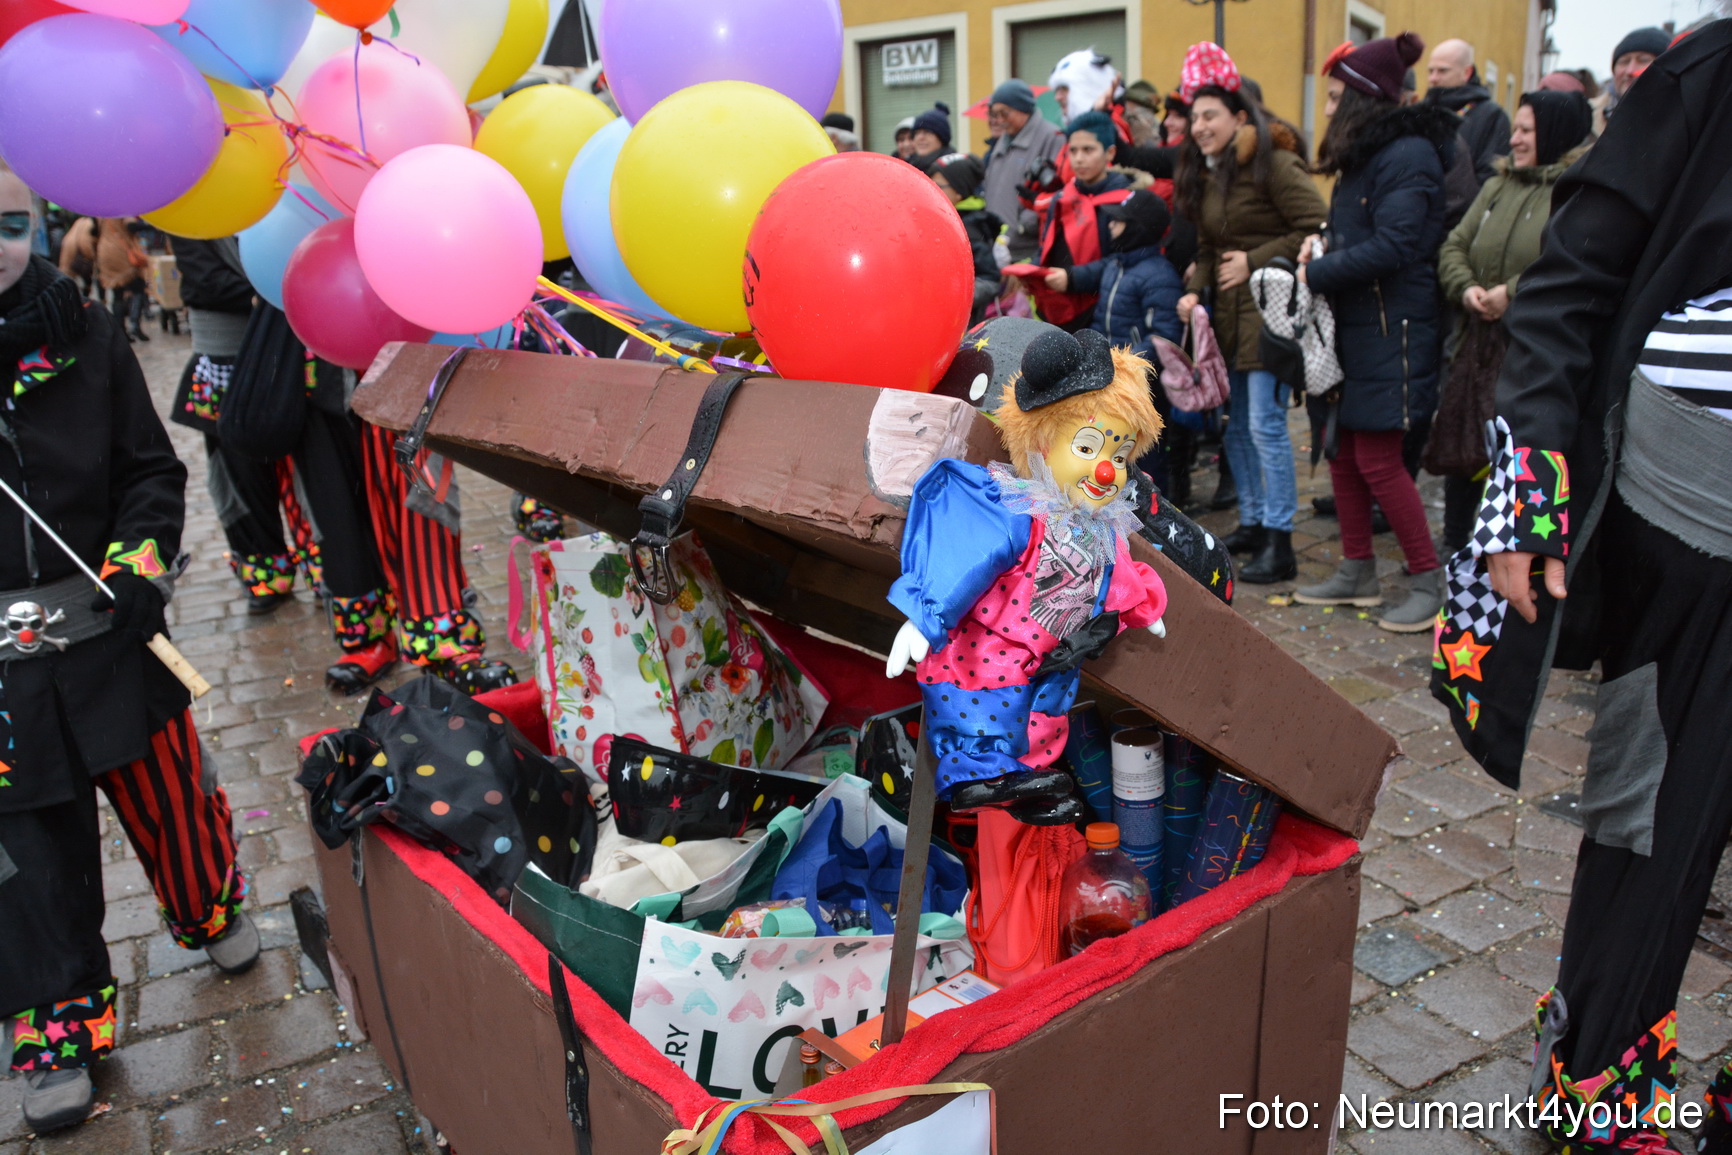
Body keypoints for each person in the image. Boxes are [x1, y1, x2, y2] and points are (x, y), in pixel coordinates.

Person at [1426, 19, 1732, 1151]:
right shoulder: (1710, 72)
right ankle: (1601, 1080)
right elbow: (1566, 288)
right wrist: (1527, 499)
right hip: (1692, 518)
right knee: (1654, 820)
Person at [0, 168, 258, 1135]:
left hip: (110, 626)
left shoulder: (88, 330)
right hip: (3, 672)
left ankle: (209, 906)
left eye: (12, 224)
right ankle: (58, 1020)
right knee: (29, 849)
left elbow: (150, 469)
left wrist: (138, 567)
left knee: (168, 790)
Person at [1295, 32, 1454, 630]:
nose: (1329, 108)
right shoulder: (1368, 158)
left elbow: (1396, 245)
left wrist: (1317, 270)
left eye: (1336, 97)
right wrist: (1325, 244)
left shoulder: (1407, 153)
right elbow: (1363, 235)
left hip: (1394, 330)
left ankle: (1426, 578)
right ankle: (1356, 569)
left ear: (1362, 99)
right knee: (1341, 451)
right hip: (1355, 327)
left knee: (1381, 459)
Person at [1172, 41, 1326, 584]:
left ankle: (1280, 541)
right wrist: (1195, 288)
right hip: (1231, 319)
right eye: (1194, 117)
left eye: (1210, 115)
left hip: (1273, 315)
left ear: (1240, 117)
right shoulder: (1217, 174)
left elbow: (1315, 222)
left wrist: (1255, 258)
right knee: (1238, 428)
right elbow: (1213, 250)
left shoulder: (1274, 163)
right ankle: (1256, 522)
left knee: (1264, 424)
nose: (1199, 126)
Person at [1425, 91, 1593, 556]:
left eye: (1526, 130)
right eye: (1515, 128)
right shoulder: (1497, 184)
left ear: (1556, 134)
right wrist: (1467, 289)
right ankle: (1458, 549)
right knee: (1464, 452)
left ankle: (1505, 552)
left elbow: (1568, 264)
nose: (1513, 139)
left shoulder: (1577, 192)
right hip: (1473, 347)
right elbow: (1454, 245)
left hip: (1525, 354)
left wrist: (1511, 293)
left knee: (1510, 458)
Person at [167, 235, 321, 615]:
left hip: (283, 355)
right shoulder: (192, 212)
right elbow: (204, 280)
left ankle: (322, 566)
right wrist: (275, 289)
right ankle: (264, 571)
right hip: (225, 359)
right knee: (240, 476)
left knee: (306, 468)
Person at [1027, 110, 1134, 331]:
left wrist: (1073, 278)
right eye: (1072, 151)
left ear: (1110, 153)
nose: (1078, 158)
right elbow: (1047, 246)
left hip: (1103, 312)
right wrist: (1033, 273)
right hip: (1059, 309)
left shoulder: (1125, 200)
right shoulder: (1062, 197)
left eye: (1088, 150)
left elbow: (1122, 261)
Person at [982, 79, 1066, 262]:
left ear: (1023, 109)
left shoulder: (1052, 137)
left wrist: (1026, 224)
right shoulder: (1002, 142)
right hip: (998, 248)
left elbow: (1058, 189)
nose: (999, 120)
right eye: (995, 114)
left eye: (1004, 113)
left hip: (1029, 249)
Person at [929, 152, 1004, 327]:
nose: (932, 189)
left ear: (959, 192)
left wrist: (954, 296)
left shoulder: (968, 229)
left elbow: (990, 278)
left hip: (964, 326)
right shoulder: (943, 219)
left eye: (939, 185)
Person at [1423, 38, 1512, 184]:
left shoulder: (1492, 116)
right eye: (1431, 71)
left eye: (1442, 71)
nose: (1433, 78)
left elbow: (1490, 177)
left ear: (1467, 72)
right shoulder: (1424, 111)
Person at [1598, 26, 1671, 130]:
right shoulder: (1587, 117)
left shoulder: (1685, 118)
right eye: (1624, 61)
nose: (1630, 71)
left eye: (1643, 60)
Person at [94, 217, 148, 343]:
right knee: (138, 289)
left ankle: (120, 331)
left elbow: (93, 231)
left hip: (104, 251)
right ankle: (135, 325)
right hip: (121, 252)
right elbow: (131, 226)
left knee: (117, 294)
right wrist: (150, 227)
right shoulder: (122, 207)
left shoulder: (100, 212)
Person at [54, 215, 95, 298]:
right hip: (79, 256)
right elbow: (86, 245)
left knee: (67, 279)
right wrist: (94, 257)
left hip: (68, 253)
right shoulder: (89, 223)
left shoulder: (79, 222)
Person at [909, 103, 951, 168]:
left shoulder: (951, 169)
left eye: (927, 132)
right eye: (917, 133)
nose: (920, 137)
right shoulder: (911, 165)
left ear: (942, 138)